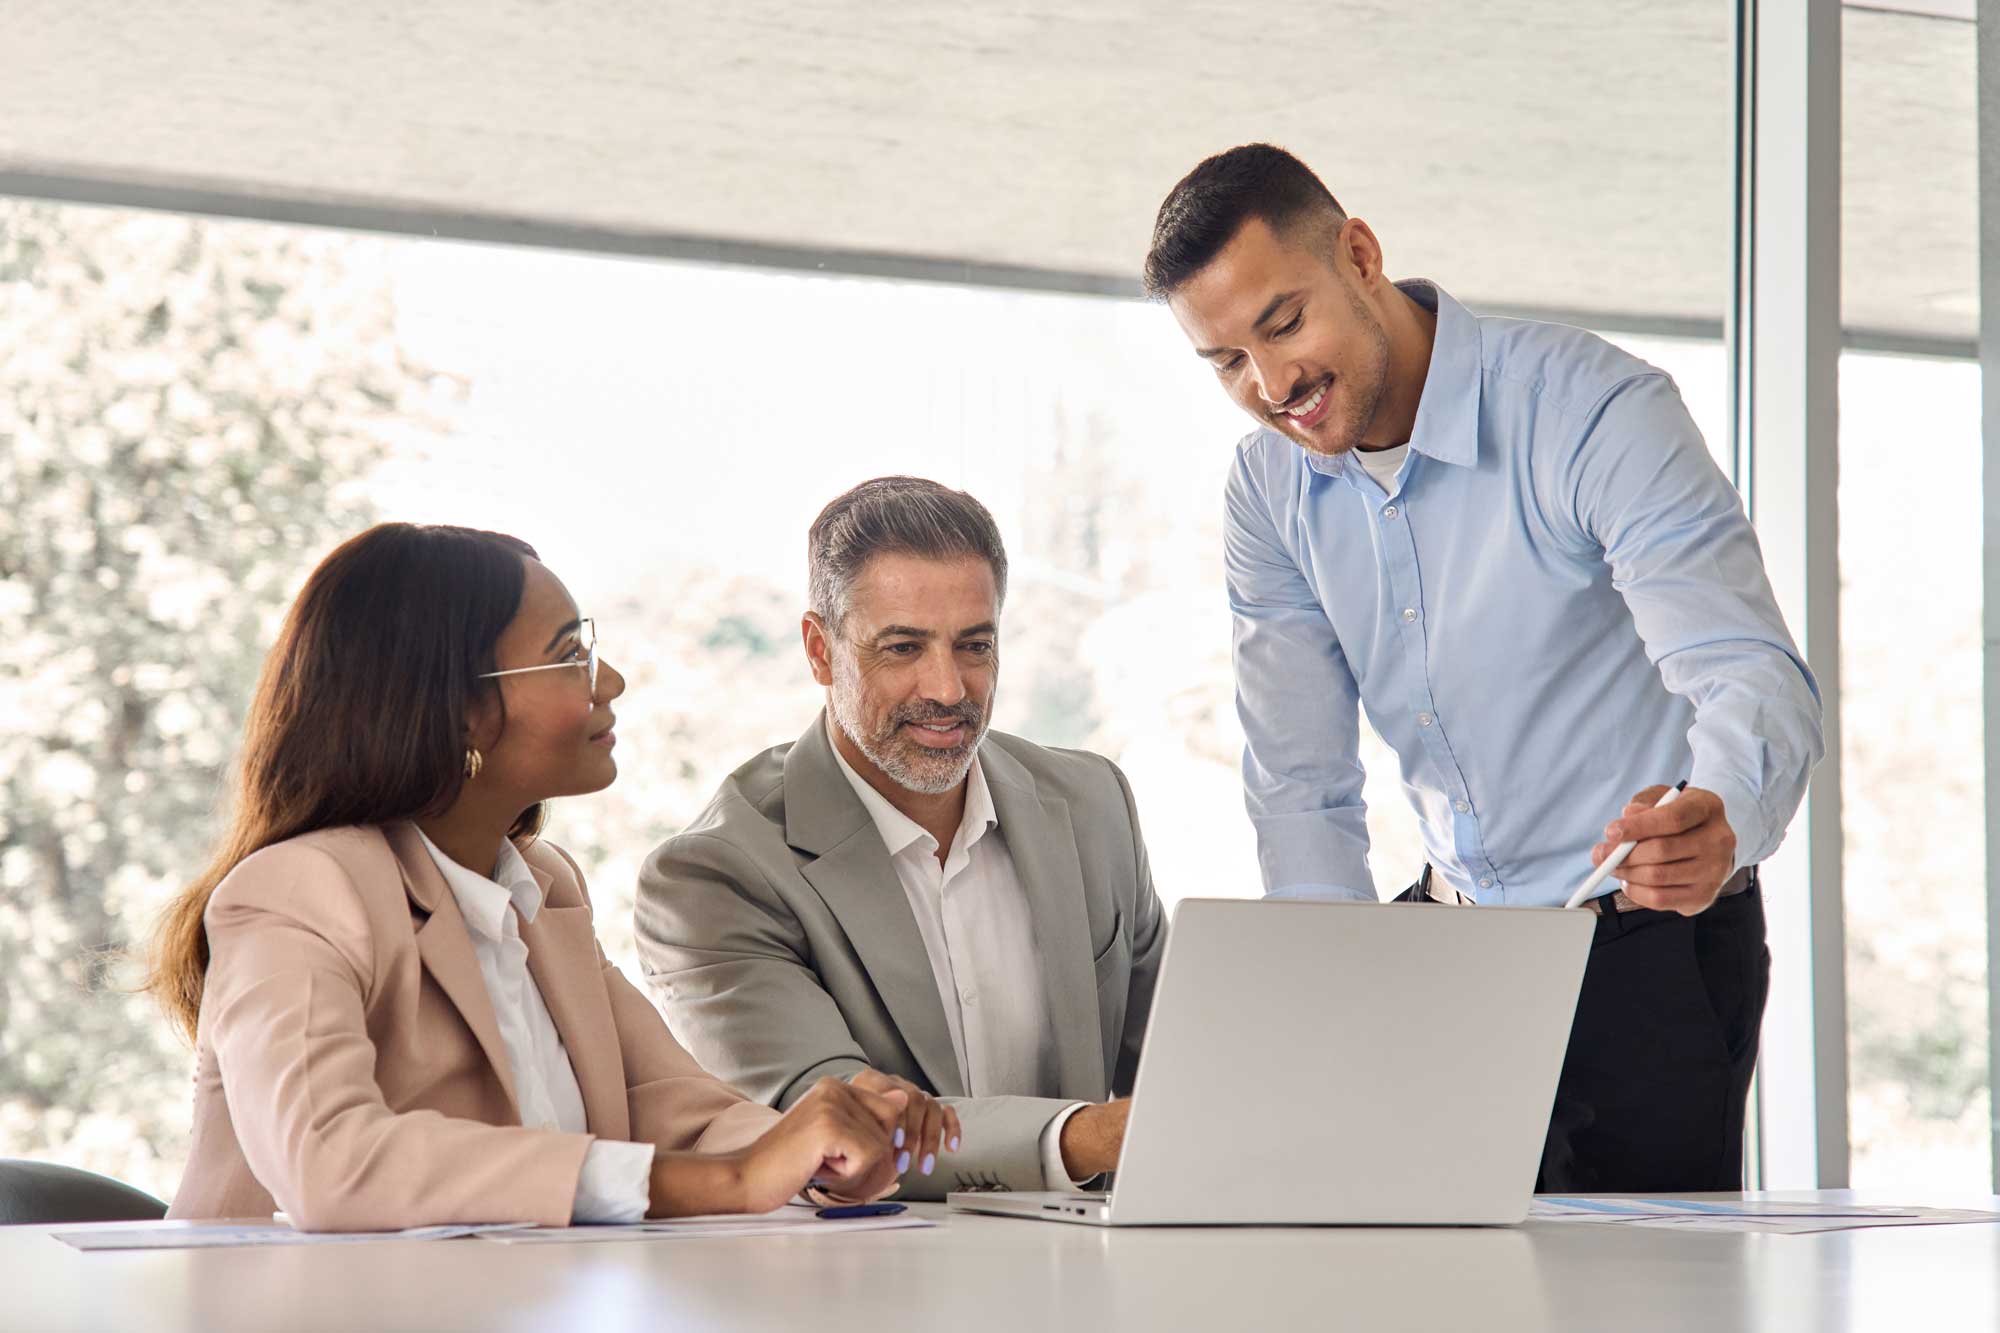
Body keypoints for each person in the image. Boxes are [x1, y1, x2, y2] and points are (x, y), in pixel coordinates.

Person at [1144, 144, 1824, 1192]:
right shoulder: (1264, 492)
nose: (1272, 385)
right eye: (1226, 361)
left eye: (1281, 324)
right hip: (1439, 950)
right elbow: (1299, 779)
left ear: (1360, 255)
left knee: (1634, 1304)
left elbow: (1743, 668)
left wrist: (1722, 809)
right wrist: (1330, 993)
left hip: (1643, 945)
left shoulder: (1590, 408)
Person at [151, 523, 932, 1230]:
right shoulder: (300, 888)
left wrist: (824, 1150)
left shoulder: (544, 888)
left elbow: (674, 1108)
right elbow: (330, 1159)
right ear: (456, 706)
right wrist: (732, 1177)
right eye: (569, 654)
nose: (610, 680)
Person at [636, 477, 1166, 1199]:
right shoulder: (713, 875)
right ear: (820, 651)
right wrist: (1089, 1135)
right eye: (904, 647)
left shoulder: (1093, 804)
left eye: (973, 645)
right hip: (869, 1295)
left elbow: (1176, 1073)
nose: (947, 688)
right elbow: (840, 1135)